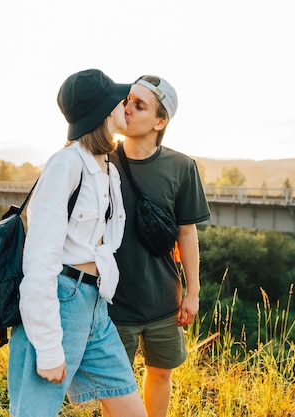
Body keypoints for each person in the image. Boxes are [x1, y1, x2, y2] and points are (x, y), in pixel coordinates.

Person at [7, 69, 147, 417]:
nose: (125, 104)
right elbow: (39, 261)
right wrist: (49, 348)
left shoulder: (106, 168)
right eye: (120, 99)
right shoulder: (65, 165)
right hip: (61, 300)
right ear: (102, 110)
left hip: (94, 306)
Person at [108, 75, 210, 417]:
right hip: (112, 301)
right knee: (115, 383)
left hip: (163, 299)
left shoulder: (181, 168)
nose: (128, 108)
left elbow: (187, 232)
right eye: (127, 101)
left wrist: (192, 292)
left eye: (140, 105)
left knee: (161, 373)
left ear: (160, 121)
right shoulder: (101, 161)